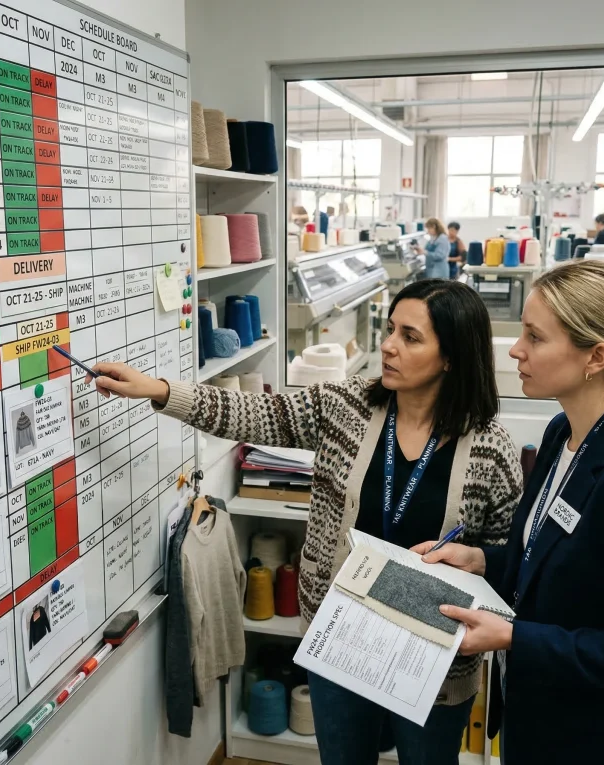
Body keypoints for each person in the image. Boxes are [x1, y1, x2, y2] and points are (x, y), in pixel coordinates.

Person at [87, 280, 524, 765]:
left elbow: (507, 563)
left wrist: (481, 562)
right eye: (391, 329)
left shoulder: (491, 450)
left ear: (451, 356)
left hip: (433, 659)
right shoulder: (348, 406)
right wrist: (162, 392)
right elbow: (258, 414)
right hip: (342, 635)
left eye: (411, 337)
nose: (389, 345)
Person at [414, 260, 604, 765]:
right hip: (544, 723)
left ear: (596, 357)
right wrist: (482, 561)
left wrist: (512, 636)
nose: (516, 350)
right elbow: (554, 569)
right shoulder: (561, 436)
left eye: (535, 337)